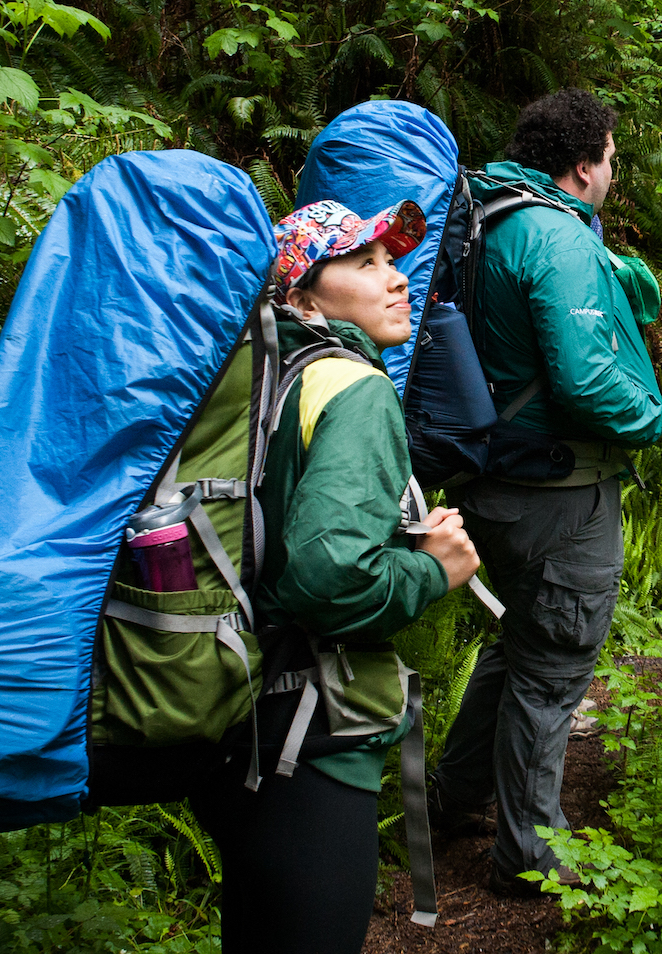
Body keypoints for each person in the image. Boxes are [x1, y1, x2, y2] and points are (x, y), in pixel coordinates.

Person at [190, 199, 482, 954]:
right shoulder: (354, 387)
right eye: (365, 262)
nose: (397, 279)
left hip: (233, 719)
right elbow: (328, 577)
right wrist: (430, 568)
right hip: (314, 741)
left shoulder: (258, 375)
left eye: (393, 260)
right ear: (300, 294)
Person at [427, 89, 662, 896]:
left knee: (516, 648)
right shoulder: (554, 233)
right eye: (611, 155)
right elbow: (585, 379)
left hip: (495, 478)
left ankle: (449, 798)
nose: (613, 169)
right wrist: (653, 416)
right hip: (560, 493)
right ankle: (531, 856)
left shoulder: (491, 215)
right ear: (583, 164)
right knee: (553, 668)